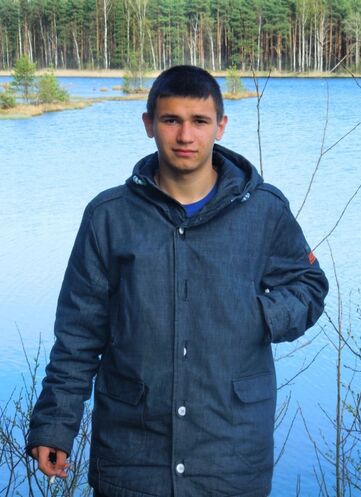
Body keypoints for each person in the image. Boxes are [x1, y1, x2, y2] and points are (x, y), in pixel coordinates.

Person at [27, 65, 329, 497]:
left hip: (231, 455)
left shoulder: (263, 210)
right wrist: (55, 424)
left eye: (199, 121)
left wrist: (256, 315)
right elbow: (79, 331)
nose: (186, 136)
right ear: (149, 124)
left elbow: (309, 286)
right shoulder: (108, 216)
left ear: (220, 126)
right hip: (131, 456)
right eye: (171, 120)